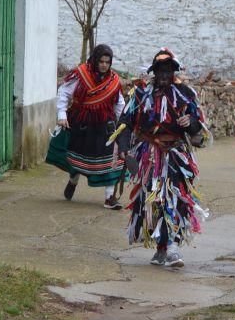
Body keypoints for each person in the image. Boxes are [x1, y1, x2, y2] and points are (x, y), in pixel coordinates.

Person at [119, 49, 206, 268]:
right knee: (152, 202)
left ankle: (173, 247)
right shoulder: (141, 95)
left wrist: (191, 122)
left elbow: (198, 127)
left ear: (174, 72)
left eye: (169, 70)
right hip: (149, 156)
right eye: (161, 71)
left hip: (176, 156)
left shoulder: (185, 94)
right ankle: (161, 247)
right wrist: (123, 148)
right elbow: (126, 123)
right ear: (154, 73)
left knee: (175, 199)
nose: (165, 75)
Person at [47, 44, 126, 209]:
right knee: (78, 157)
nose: (104, 65)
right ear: (95, 60)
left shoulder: (114, 81)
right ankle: (73, 179)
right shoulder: (81, 74)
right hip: (81, 124)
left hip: (105, 126)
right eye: (101, 61)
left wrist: (123, 124)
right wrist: (62, 115)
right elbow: (63, 93)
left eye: (107, 62)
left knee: (113, 160)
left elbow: (119, 103)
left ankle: (109, 198)